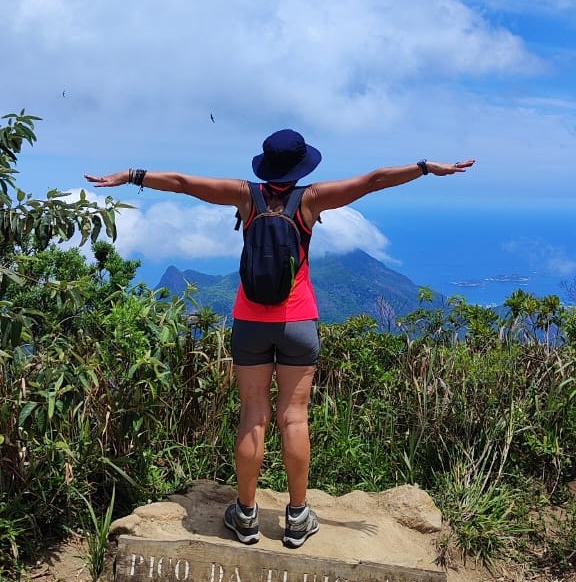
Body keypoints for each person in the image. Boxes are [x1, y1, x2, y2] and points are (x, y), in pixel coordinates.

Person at [85, 129, 474, 548]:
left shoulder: (243, 196)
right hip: (298, 321)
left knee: (254, 414)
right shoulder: (311, 199)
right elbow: (375, 179)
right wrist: (424, 168)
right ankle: (297, 516)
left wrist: (130, 174)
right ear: (302, 164)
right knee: (294, 417)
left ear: (266, 163)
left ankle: (247, 516)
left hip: (250, 321)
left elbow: (182, 183)